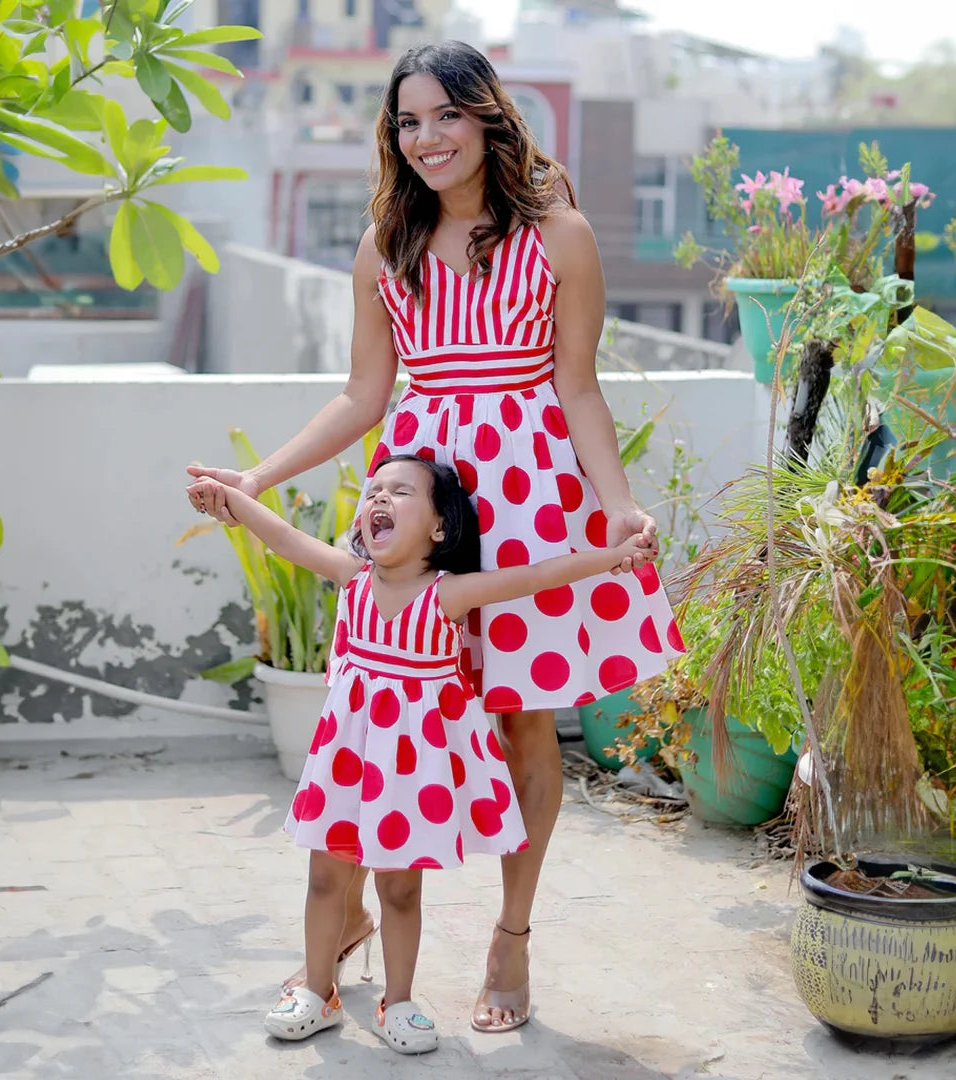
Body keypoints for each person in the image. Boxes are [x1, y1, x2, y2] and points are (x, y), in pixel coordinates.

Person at [187, 39, 684, 1033]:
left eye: (444, 116)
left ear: (487, 116)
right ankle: (355, 916)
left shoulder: (561, 236)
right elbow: (362, 394)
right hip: (423, 492)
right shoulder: (387, 244)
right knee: (384, 702)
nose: (425, 140)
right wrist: (257, 478)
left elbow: (577, 387)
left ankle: (512, 939)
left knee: (523, 719)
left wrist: (618, 503)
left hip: (533, 491)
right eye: (406, 123)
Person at [188, 455, 653, 1052]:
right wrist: (229, 492)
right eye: (373, 491)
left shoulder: (448, 595)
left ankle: (399, 1002)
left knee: (401, 891)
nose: (378, 499)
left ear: (439, 528)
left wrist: (614, 556)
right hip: (347, 766)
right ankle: (318, 992)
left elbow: (539, 575)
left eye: (400, 492)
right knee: (326, 879)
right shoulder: (351, 577)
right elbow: (281, 535)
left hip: (408, 776)